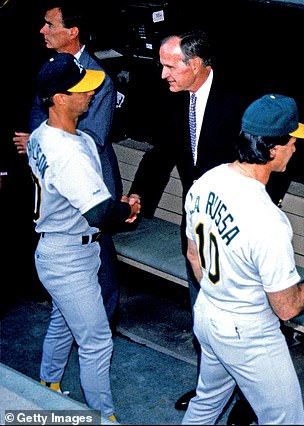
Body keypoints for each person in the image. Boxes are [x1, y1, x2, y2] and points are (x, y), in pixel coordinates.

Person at [126, 29, 256, 419]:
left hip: (237, 227)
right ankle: (208, 390)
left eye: (170, 66)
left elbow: (268, 160)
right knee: (202, 312)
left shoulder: (238, 101)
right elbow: (160, 155)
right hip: (196, 230)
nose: (163, 74)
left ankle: (249, 397)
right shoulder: (172, 102)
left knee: (241, 317)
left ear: (195, 64)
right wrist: (138, 198)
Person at [181, 93, 304, 425]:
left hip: (208, 313)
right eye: (292, 141)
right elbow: (287, 307)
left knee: (206, 403)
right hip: (248, 332)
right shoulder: (268, 220)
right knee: (285, 420)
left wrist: (222, 294)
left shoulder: (207, 181)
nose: (295, 147)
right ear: (272, 149)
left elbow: (193, 253)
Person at [26, 52, 141, 421]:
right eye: (81, 90)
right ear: (59, 99)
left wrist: (112, 203)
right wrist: (127, 209)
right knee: (96, 342)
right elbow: (99, 213)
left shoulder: (42, 134)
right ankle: (102, 416)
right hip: (66, 254)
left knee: (63, 320)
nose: (91, 94)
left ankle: (48, 385)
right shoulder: (68, 152)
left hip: (65, 248)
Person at [13, 0, 122, 326]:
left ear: (72, 32)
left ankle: (106, 318)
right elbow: (40, 109)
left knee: (100, 255)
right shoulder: (51, 65)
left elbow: (94, 134)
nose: (42, 30)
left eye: (50, 25)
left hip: (90, 178)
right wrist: (37, 139)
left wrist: (43, 140)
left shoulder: (99, 77)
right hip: (58, 177)